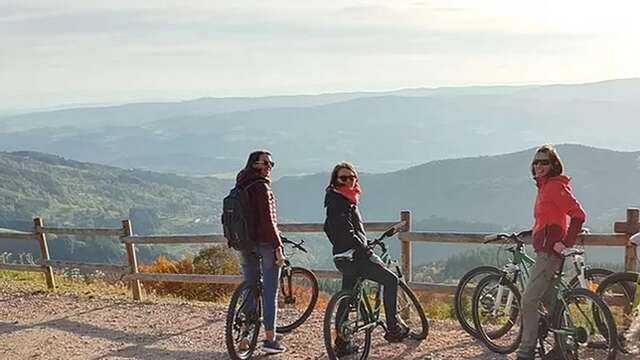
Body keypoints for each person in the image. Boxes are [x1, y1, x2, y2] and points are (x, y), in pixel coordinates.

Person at [323, 161, 409, 355]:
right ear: (335, 180)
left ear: (356, 179)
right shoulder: (340, 201)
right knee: (391, 279)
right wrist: (366, 251)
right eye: (343, 178)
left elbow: (328, 228)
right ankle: (393, 329)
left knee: (347, 297)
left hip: (342, 258)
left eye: (351, 177)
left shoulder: (339, 200)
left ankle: (342, 344)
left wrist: (344, 245)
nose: (348, 181)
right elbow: (348, 232)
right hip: (356, 257)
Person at [516, 145, 586, 360]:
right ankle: (561, 350)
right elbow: (548, 219)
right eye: (536, 162)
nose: (538, 166)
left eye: (544, 162)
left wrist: (565, 243)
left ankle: (525, 352)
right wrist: (534, 231)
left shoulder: (555, 187)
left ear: (554, 165)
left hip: (548, 254)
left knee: (528, 301)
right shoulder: (544, 187)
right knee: (550, 302)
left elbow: (578, 214)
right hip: (544, 249)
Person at [236, 150, 286, 354]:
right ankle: (270, 340)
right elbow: (268, 221)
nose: (269, 167)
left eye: (271, 163)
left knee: (249, 286)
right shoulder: (262, 187)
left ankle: (245, 332)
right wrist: (278, 246)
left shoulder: (241, 183)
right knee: (270, 291)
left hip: (244, 243)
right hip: (264, 243)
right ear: (254, 164)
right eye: (266, 163)